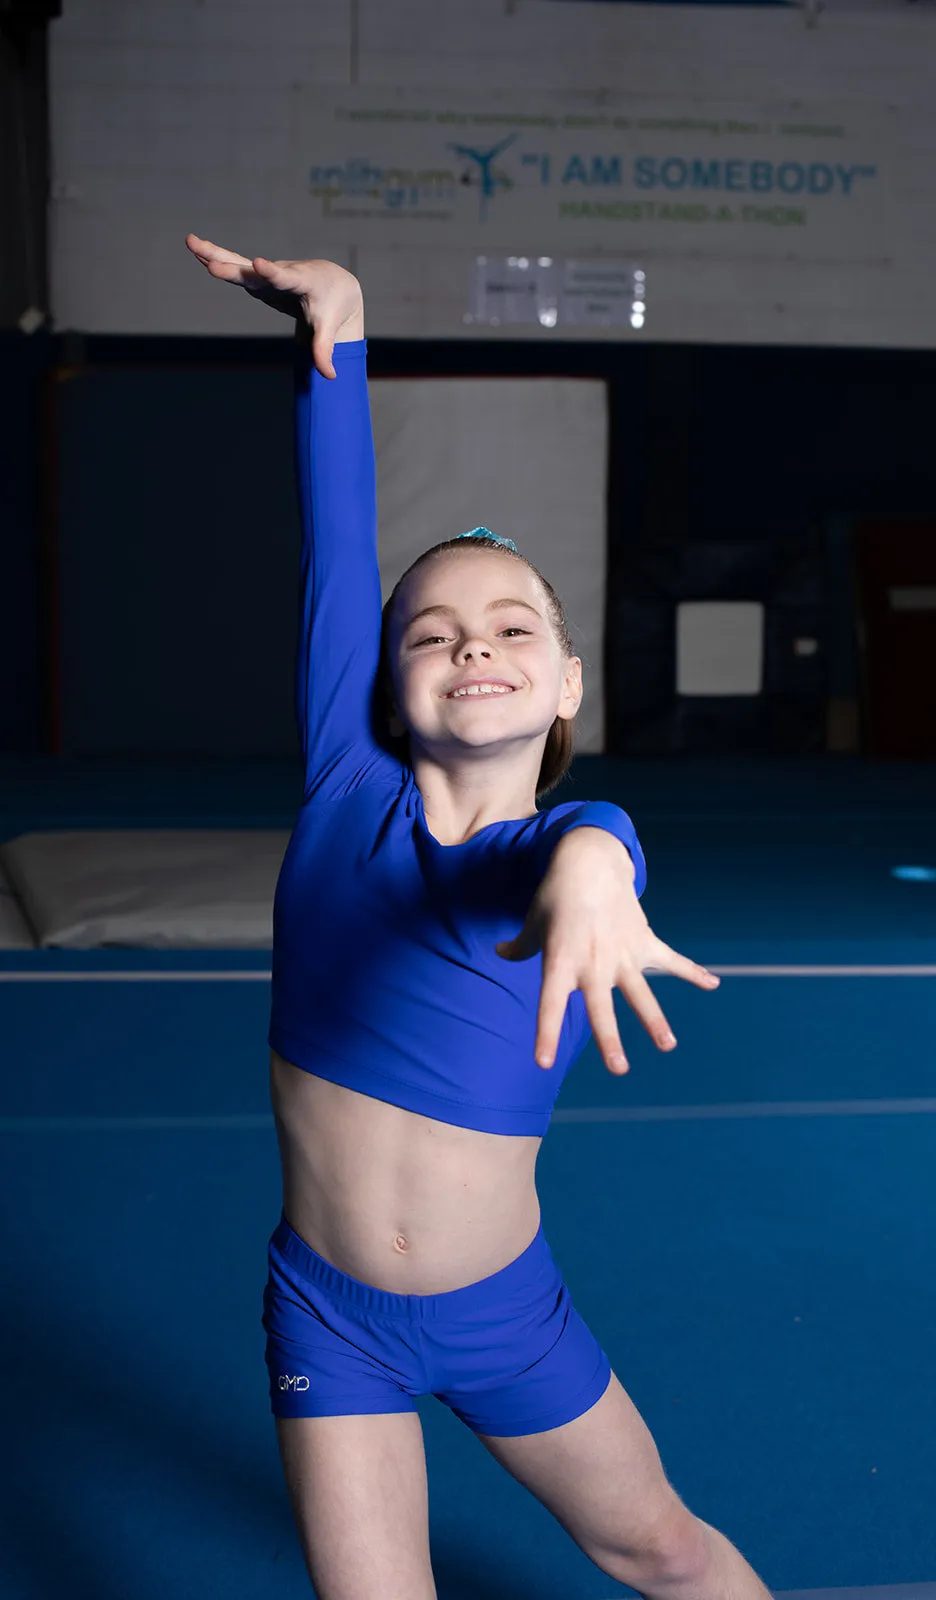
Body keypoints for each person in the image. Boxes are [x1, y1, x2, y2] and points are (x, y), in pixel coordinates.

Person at [186, 234, 774, 1600]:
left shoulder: (559, 849)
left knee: (662, 1549)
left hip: (504, 1317)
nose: (472, 645)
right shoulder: (349, 789)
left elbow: (589, 844)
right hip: (325, 1314)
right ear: (387, 687)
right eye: (433, 630)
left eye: (514, 628)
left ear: (567, 682)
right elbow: (338, 539)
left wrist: (593, 884)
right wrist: (337, 323)